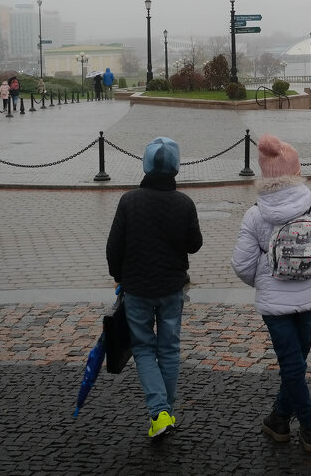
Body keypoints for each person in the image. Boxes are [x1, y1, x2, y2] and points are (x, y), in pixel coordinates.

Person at [231, 134, 311, 453]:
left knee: (291, 365)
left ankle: (293, 422)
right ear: (296, 170)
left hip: (273, 307)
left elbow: (241, 264)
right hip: (308, 301)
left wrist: (266, 281)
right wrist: (310, 272)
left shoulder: (255, 215)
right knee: (295, 364)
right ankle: (297, 423)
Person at [106, 137, 202, 439]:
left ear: (146, 165)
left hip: (136, 287)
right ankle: (165, 413)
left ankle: (159, 413)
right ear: (176, 168)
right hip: (171, 287)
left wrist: (117, 276)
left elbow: (114, 248)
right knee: (170, 348)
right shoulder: (184, 203)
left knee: (144, 347)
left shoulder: (129, 201)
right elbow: (194, 244)